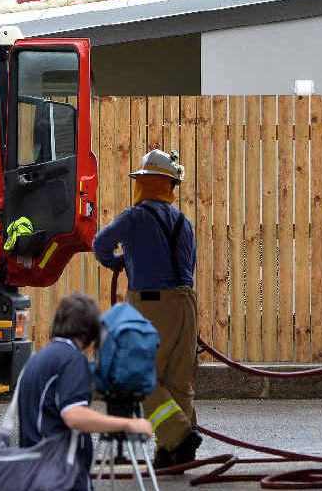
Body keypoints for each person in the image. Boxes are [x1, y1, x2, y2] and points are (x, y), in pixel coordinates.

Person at [92, 149, 200, 470]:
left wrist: (117, 261)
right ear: (168, 185)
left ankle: (180, 435)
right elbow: (188, 266)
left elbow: (101, 243)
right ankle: (172, 454)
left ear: (143, 183)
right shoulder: (184, 222)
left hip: (152, 305)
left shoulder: (135, 217)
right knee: (177, 380)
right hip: (186, 304)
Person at [16, 292, 153, 491]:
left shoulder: (40, 359)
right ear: (89, 331)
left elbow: (50, 405)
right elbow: (74, 416)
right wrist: (129, 424)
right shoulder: (71, 360)